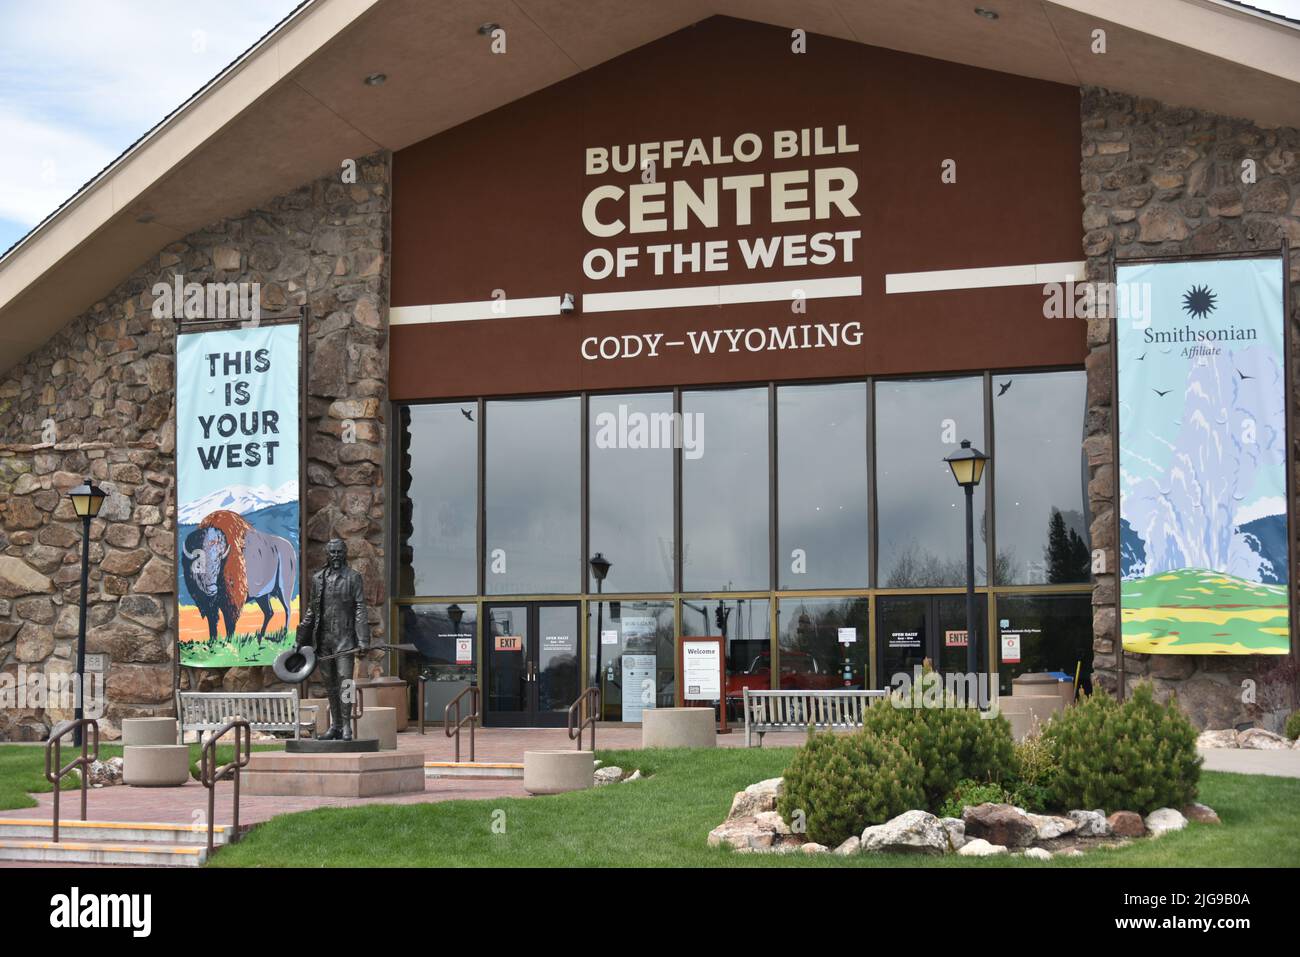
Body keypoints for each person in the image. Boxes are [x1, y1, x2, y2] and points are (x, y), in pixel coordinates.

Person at [296, 538, 371, 740]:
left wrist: (363, 639)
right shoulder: (318, 578)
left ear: (344, 554)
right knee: (330, 685)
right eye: (333, 552)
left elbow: (360, 608)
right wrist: (300, 639)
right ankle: (335, 726)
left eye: (339, 552)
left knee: (346, 682)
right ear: (327, 555)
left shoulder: (353, 578)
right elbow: (312, 611)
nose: (336, 555)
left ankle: (347, 726)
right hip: (323, 641)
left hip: (344, 640)